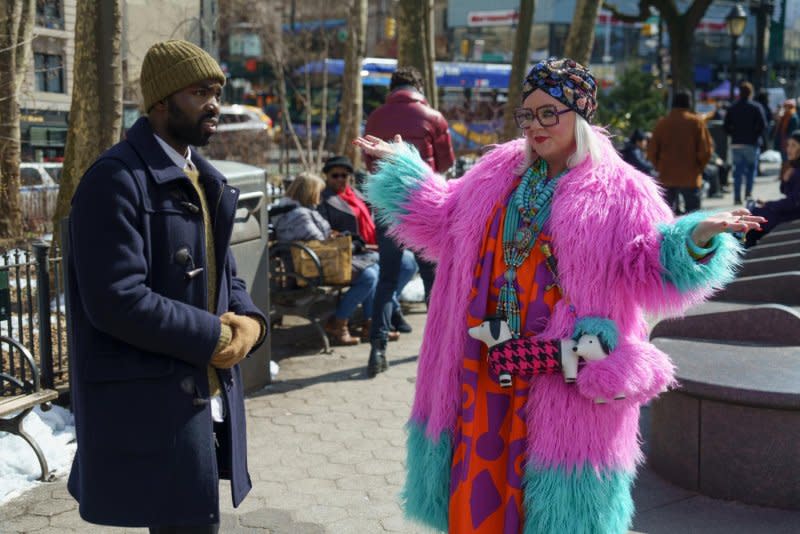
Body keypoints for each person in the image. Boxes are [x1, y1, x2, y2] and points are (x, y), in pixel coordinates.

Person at [354, 57, 763, 534]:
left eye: (550, 112)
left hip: (562, 370)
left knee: (557, 508)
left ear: (581, 114)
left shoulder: (622, 191)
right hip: (486, 358)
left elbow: (648, 263)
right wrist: (404, 171)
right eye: (527, 114)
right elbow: (443, 219)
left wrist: (696, 238)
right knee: (481, 476)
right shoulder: (496, 171)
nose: (535, 126)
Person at [66, 40, 267, 533]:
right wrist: (215, 338)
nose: (215, 103)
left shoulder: (201, 176)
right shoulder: (115, 179)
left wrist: (249, 322)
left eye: (218, 91)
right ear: (160, 102)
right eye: (200, 92)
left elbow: (227, 275)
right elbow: (116, 299)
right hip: (151, 405)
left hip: (200, 397)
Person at [361, 66, 455, 377]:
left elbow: (370, 161)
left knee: (387, 279)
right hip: (423, 209)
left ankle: (377, 348)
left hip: (387, 207)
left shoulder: (374, 118)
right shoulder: (433, 117)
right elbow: (446, 162)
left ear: (391, 88)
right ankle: (438, 350)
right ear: (419, 88)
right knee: (433, 280)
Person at [317, 156, 415, 344]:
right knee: (374, 273)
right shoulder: (324, 200)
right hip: (351, 251)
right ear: (327, 177)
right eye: (334, 175)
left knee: (409, 263)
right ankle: (374, 320)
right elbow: (327, 231)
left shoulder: (357, 195)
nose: (340, 179)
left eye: (344, 175)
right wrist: (358, 243)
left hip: (375, 246)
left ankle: (387, 304)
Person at [274, 171, 380, 346]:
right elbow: (321, 244)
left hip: (317, 262)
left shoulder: (301, 211)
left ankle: (369, 323)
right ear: (309, 192)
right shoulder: (299, 215)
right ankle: (339, 323)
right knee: (369, 275)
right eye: (317, 191)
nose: (320, 195)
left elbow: (321, 239)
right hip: (310, 269)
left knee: (373, 268)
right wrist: (352, 245)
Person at [648, 89, 713, 214]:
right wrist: (699, 167)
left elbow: (652, 150)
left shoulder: (663, 123)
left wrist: (659, 166)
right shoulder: (696, 122)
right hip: (690, 175)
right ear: (689, 103)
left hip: (666, 174)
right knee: (693, 216)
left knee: (666, 215)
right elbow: (705, 150)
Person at [746, 129, 800, 247]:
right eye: (788, 145)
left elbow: (794, 202)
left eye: (794, 145)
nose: (789, 149)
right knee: (753, 215)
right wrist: (785, 180)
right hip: (790, 213)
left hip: (793, 216)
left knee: (755, 219)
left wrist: (769, 204)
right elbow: (786, 192)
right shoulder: (794, 166)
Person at [724, 81, 768, 204]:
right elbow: (763, 125)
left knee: (738, 171)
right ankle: (748, 194)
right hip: (751, 143)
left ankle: (737, 197)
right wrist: (755, 136)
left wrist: (733, 134)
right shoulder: (756, 107)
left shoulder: (733, 107)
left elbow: (726, 126)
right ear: (751, 93)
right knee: (751, 170)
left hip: (737, 143)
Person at [774, 99, 799, 172]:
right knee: (784, 159)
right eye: (785, 106)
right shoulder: (784, 116)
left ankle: (787, 173)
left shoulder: (793, 117)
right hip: (783, 141)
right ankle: (783, 173)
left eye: (787, 106)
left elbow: (793, 132)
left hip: (789, 142)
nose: (785, 108)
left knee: (789, 159)